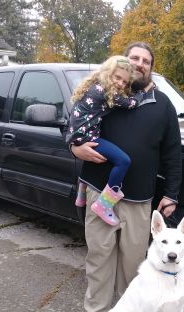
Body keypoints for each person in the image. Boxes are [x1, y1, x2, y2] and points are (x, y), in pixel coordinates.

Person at [71, 42, 182, 312]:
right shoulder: (104, 93)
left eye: (146, 60)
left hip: (139, 198)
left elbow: (173, 153)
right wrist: (74, 147)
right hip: (100, 192)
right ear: (124, 62)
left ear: (151, 67)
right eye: (135, 58)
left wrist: (171, 193)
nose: (140, 63)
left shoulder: (163, 105)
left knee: (132, 261)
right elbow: (74, 121)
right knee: (99, 256)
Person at [66, 56, 145, 226]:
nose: (120, 84)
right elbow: (130, 104)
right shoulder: (104, 91)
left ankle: (81, 193)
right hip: (87, 137)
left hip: (78, 136)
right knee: (123, 161)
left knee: (98, 160)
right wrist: (141, 94)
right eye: (117, 78)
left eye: (125, 82)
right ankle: (104, 205)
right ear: (107, 73)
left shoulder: (93, 87)